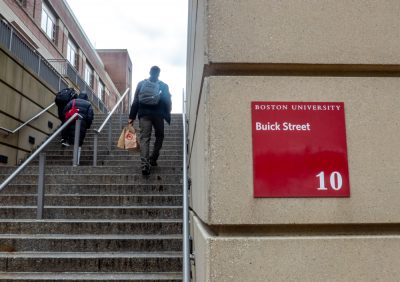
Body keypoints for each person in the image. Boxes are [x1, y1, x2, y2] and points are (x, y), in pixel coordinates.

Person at [128, 66, 172, 175]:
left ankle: (144, 165)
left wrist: (131, 117)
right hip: (158, 115)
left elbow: (136, 101)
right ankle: (153, 158)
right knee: (160, 136)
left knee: (145, 138)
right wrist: (167, 113)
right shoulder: (163, 85)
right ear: (159, 74)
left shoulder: (141, 84)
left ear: (149, 72)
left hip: (144, 115)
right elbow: (167, 101)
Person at [62, 92, 94, 164]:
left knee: (71, 140)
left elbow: (64, 111)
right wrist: (87, 125)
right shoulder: (88, 104)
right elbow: (90, 116)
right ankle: (76, 161)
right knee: (79, 143)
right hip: (82, 125)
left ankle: (71, 159)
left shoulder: (72, 101)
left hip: (71, 122)